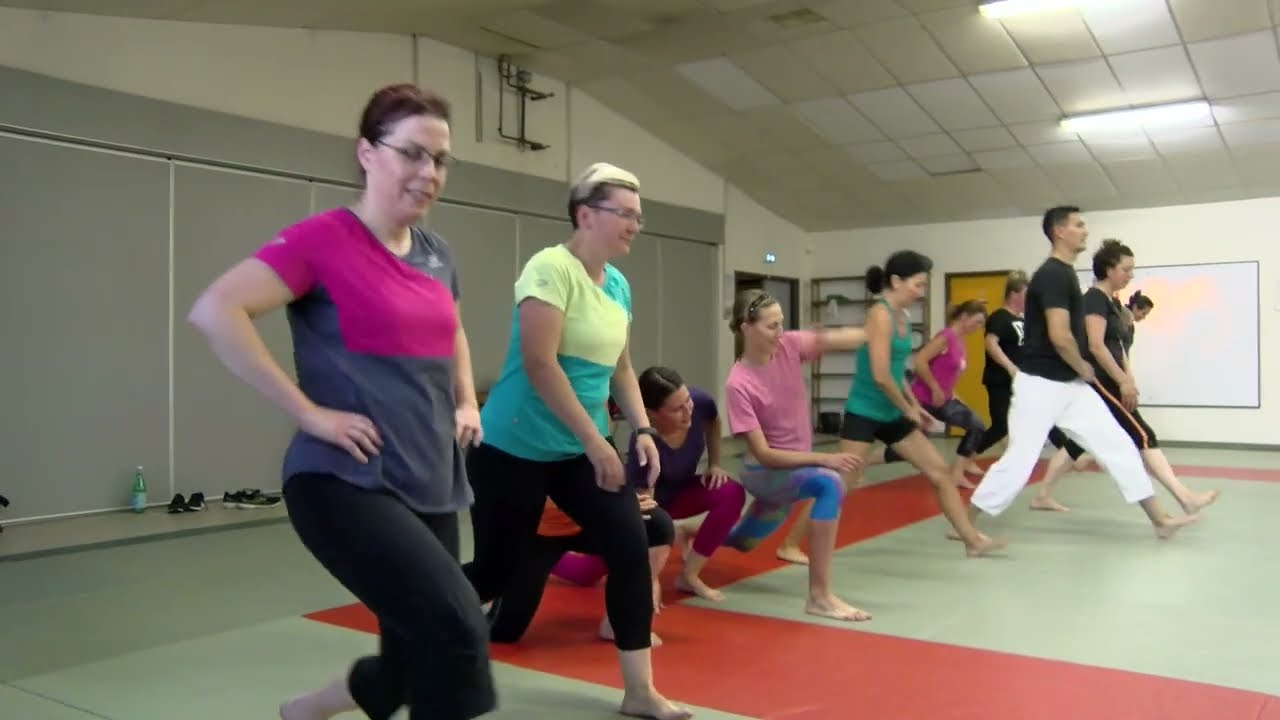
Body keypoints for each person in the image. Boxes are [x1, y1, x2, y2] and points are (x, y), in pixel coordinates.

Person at [187, 84, 497, 720]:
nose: (429, 173)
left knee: (414, 653)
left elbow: (453, 331)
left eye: (440, 160)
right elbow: (217, 310)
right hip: (345, 481)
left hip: (431, 477)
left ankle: (311, 708)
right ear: (367, 152)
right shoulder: (322, 241)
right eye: (412, 153)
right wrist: (307, 412)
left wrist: (467, 401)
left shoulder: (439, 255)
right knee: (459, 627)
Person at [461, 162, 689, 720]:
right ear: (586, 214)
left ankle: (640, 692)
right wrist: (597, 442)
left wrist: (639, 427)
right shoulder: (549, 269)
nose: (636, 224)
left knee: (631, 546)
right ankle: (415, 618)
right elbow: (540, 365)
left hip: (572, 452)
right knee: (494, 572)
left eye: (639, 216)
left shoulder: (616, 284)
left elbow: (622, 365)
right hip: (511, 447)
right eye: (626, 214)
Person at [967, 207, 1199, 539]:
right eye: (1079, 225)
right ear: (1059, 232)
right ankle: (965, 523)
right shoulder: (1054, 275)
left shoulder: (1064, 275)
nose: (1085, 231)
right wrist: (1085, 369)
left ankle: (1160, 519)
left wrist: (1079, 375)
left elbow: (1064, 337)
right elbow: (1061, 336)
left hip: (1068, 385)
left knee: (1118, 444)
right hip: (1041, 385)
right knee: (1019, 460)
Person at [1027, 241, 1218, 514]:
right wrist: (1122, 381)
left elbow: (1118, 346)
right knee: (1142, 435)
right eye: (1126, 269)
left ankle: (1043, 494)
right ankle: (1184, 497)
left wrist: (1129, 377)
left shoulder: (1113, 303)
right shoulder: (1093, 298)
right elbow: (1095, 345)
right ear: (1108, 269)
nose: (1131, 275)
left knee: (1077, 442)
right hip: (1101, 381)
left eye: (1132, 270)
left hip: (1111, 379)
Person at [838, 252, 1004, 558]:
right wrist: (909, 409)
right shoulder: (880, 314)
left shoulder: (903, 316)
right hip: (865, 411)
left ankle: (971, 540)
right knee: (840, 484)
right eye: (917, 285)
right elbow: (880, 375)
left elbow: (898, 371)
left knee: (941, 474)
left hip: (892, 410)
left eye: (923, 286)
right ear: (896, 281)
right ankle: (790, 542)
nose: (921, 292)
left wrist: (916, 405)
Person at [721, 290, 872, 622]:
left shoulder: (787, 346)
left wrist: (877, 324)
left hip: (792, 471)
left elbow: (840, 338)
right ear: (747, 327)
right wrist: (824, 459)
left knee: (743, 541)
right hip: (765, 474)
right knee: (830, 484)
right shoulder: (739, 383)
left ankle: (691, 534)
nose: (781, 332)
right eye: (772, 325)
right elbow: (764, 454)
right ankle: (819, 597)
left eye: (782, 324)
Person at [552, 366, 746, 602]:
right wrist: (649, 581)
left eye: (687, 402)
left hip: (679, 492)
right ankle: (537, 553)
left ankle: (689, 575)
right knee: (586, 573)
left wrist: (715, 463)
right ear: (651, 414)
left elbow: (713, 421)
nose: (688, 412)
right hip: (643, 505)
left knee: (730, 493)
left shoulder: (699, 402)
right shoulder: (643, 445)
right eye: (677, 409)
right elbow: (649, 518)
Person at [485, 494, 673, 647]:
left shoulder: (591, 448)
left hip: (585, 522)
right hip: (536, 532)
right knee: (503, 632)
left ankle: (619, 623)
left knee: (657, 524)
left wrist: (622, 501)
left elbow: (606, 475)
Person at [867, 300, 993, 489]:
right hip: (924, 399)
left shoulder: (960, 341)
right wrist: (935, 388)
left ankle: (957, 473)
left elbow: (946, 374)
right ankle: (861, 462)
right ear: (964, 317)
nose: (978, 327)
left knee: (974, 426)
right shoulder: (945, 337)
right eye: (977, 322)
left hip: (943, 399)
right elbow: (920, 362)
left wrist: (953, 394)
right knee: (907, 448)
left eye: (981, 324)